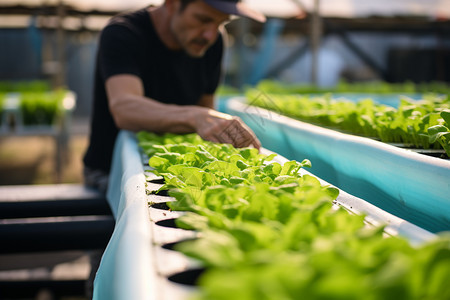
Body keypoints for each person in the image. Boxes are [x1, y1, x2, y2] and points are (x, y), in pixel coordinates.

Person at [83, 0, 266, 194]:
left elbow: (205, 109)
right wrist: (197, 117)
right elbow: (125, 108)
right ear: (172, 4)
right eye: (203, 19)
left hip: (173, 171)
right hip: (111, 170)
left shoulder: (213, 42)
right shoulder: (124, 33)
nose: (210, 35)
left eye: (221, 23)